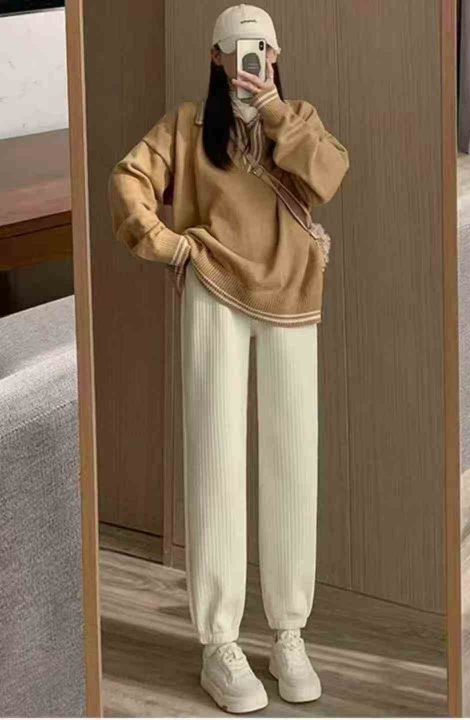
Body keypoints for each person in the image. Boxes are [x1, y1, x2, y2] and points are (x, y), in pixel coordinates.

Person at [108, 3, 349, 713]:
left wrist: (273, 113)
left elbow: (330, 175)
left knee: (293, 463)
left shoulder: (296, 121)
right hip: (213, 290)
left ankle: (288, 632)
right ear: (216, 56)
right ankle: (219, 644)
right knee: (215, 459)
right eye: (241, 49)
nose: (254, 60)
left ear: (276, 56)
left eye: (264, 50)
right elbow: (128, 179)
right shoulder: (187, 127)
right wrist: (168, 245)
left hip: (294, 297)